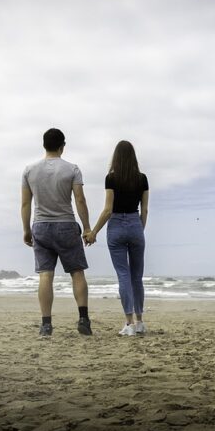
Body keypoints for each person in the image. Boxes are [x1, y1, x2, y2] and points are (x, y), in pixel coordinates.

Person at [21, 128, 95, 337]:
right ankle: (83, 319)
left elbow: (26, 203)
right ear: (62, 146)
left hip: (41, 226)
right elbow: (80, 200)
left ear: (44, 145)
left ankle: (46, 324)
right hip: (66, 225)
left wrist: (27, 230)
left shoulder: (29, 170)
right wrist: (87, 228)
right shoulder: (72, 169)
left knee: (45, 275)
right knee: (77, 272)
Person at [86, 140, 149, 336]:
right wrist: (139, 228)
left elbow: (107, 209)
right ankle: (140, 322)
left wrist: (93, 232)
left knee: (123, 275)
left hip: (116, 227)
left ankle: (128, 323)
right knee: (137, 277)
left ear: (116, 157)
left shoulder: (111, 178)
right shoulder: (142, 178)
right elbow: (145, 209)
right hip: (135, 224)